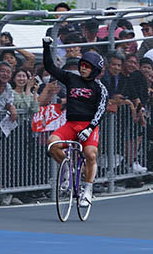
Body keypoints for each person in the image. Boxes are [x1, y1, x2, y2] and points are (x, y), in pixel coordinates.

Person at [42, 36, 108, 208]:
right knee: (51, 145)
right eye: (83, 65)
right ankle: (67, 171)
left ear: (95, 70)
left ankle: (87, 191)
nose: (84, 69)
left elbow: (101, 110)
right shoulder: (71, 78)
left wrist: (90, 128)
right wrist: (46, 46)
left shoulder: (100, 88)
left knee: (91, 154)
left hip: (89, 126)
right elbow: (50, 67)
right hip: (70, 125)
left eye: (88, 67)